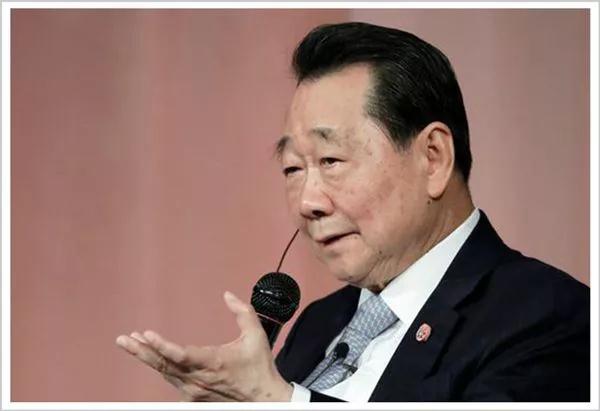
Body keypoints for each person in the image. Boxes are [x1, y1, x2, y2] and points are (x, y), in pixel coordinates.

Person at [115, 22, 590, 402]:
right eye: (292, 168)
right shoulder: (318, 324)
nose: (308, 202)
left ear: (433, 158)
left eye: (331, 161)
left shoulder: (551, 318)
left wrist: (281, 401)